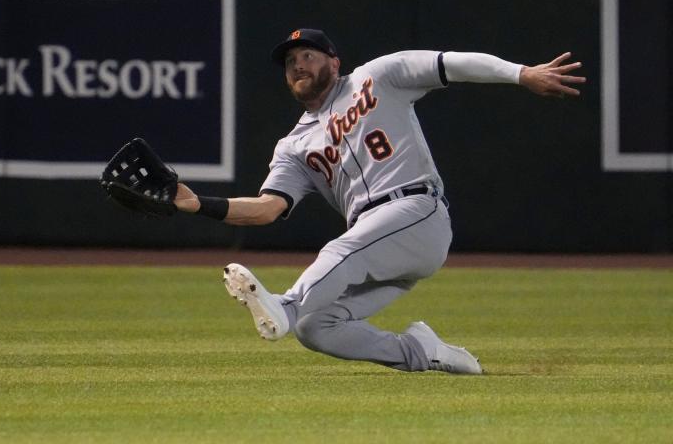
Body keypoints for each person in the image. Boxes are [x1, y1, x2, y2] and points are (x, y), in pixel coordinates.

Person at [173, 28, 585, 374]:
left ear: (334, 63)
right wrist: (199, 204)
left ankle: (286, 304)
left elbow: (451, 63)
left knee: (339, 253)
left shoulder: (378, 76)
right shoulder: (293, 146)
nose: (298, 64)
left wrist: (521, 73)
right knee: (316, 327)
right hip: (379, 245)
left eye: (307, 55)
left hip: (418, 213)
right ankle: (424, 352)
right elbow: (267, 208)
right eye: (290, 61)